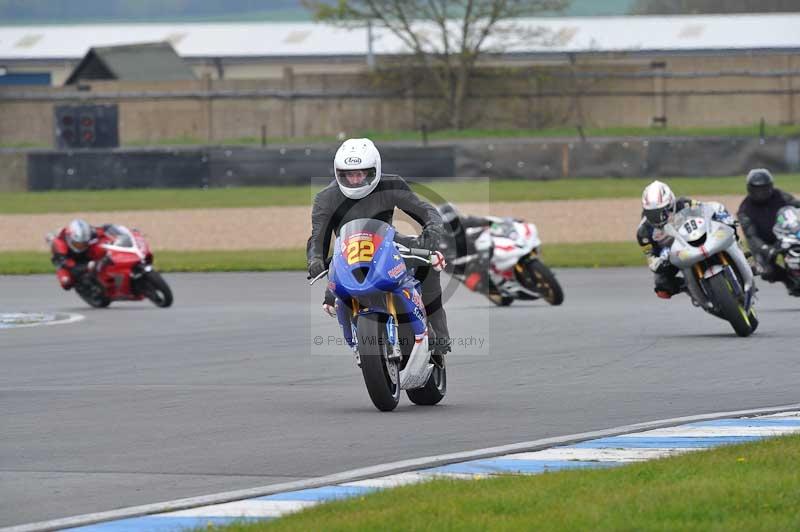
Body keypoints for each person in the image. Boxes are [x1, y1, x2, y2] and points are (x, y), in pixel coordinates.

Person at [307, 138, 451, 355]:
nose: (355, 180)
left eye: (361, 173)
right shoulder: (326, 198)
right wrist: (315, 260)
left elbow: (425, 210)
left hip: (388, 244)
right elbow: (318, 237)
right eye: (348, 174)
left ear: (374, 170)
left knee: (427, 263)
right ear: (339, 173)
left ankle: (439, 335)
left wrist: (431, 231)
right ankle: (358, 340)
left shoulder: (390, 184)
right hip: (349, 253)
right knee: (333, 296)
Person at [636, 180, 736, 299]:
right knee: (662, 288)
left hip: (695, 239)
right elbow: (651, 259)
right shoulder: (643, 232)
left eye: (663, 211)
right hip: (672, 256)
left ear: (671, 204)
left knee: (730, 228)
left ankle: (743, 256)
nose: (658, 218)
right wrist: (660, 260)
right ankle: (691, 288)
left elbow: (708, 208)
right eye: (652, 214)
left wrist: (722, 216)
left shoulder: (684, 204)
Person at [737, 168, 800, 293]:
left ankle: (796, 272)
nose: (760, 193)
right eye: (757, 189)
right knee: (766, 271)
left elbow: (796, 205)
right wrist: (767, 249)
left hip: (784, 234)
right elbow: (751, 236)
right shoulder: (745, 209)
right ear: (750, 189)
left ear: (770, 186)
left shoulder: (780, 195)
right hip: (762, 242)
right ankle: (788, 281)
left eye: (764, 189)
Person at [437, 202, 496, 294]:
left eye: (454, 221)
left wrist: (498, 222)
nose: (452, 225)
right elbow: (450, 261)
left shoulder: (464, 221)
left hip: (473, 252)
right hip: (458, 264)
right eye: (449, 224)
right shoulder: (441, 238)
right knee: (476, 284)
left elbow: (482, 221)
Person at [50, 219, 111, 290]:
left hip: (85, 255)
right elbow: (67, 263)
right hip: (67, 259)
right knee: (66, 282)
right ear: (70, 238)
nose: (81, 246)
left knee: (100, 248)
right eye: (78, 244)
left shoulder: (89, 232)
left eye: (84, 243)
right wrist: (87, 266)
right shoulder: (60, 244)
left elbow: (103, 232)